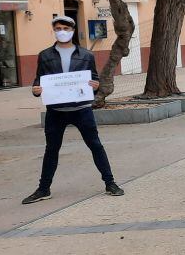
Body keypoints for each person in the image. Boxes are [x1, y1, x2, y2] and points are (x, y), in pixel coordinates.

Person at [22, 16, 124, 204]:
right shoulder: (45, 55)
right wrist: (36, 90)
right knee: (51, 149)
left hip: (82, 109)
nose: (62, 31)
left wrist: (95, 85)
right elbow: (40, 80)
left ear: (72, 30)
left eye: (65, 28)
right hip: (56, 111)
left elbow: (93, 79)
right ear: (54, 31)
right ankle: (43, 189)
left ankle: (110, 183)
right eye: (58, 28)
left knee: (95, 145)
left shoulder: (86, 55)